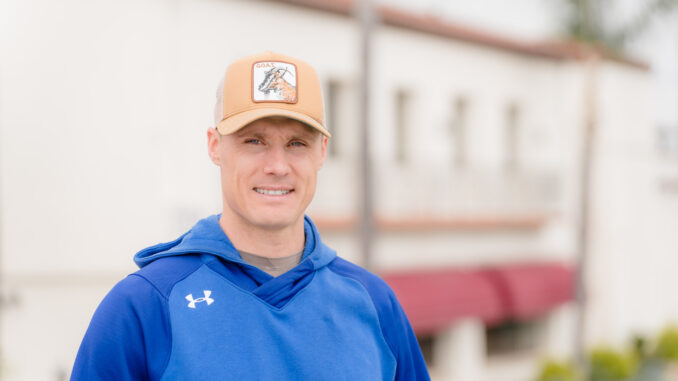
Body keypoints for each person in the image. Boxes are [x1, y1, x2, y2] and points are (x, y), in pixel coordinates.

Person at [71, 51, 430, 381]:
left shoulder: (373, 303)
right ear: (214, 145)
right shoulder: (145, 306)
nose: (277, 166)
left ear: (322, 152)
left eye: (297, 143)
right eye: (254, 141)